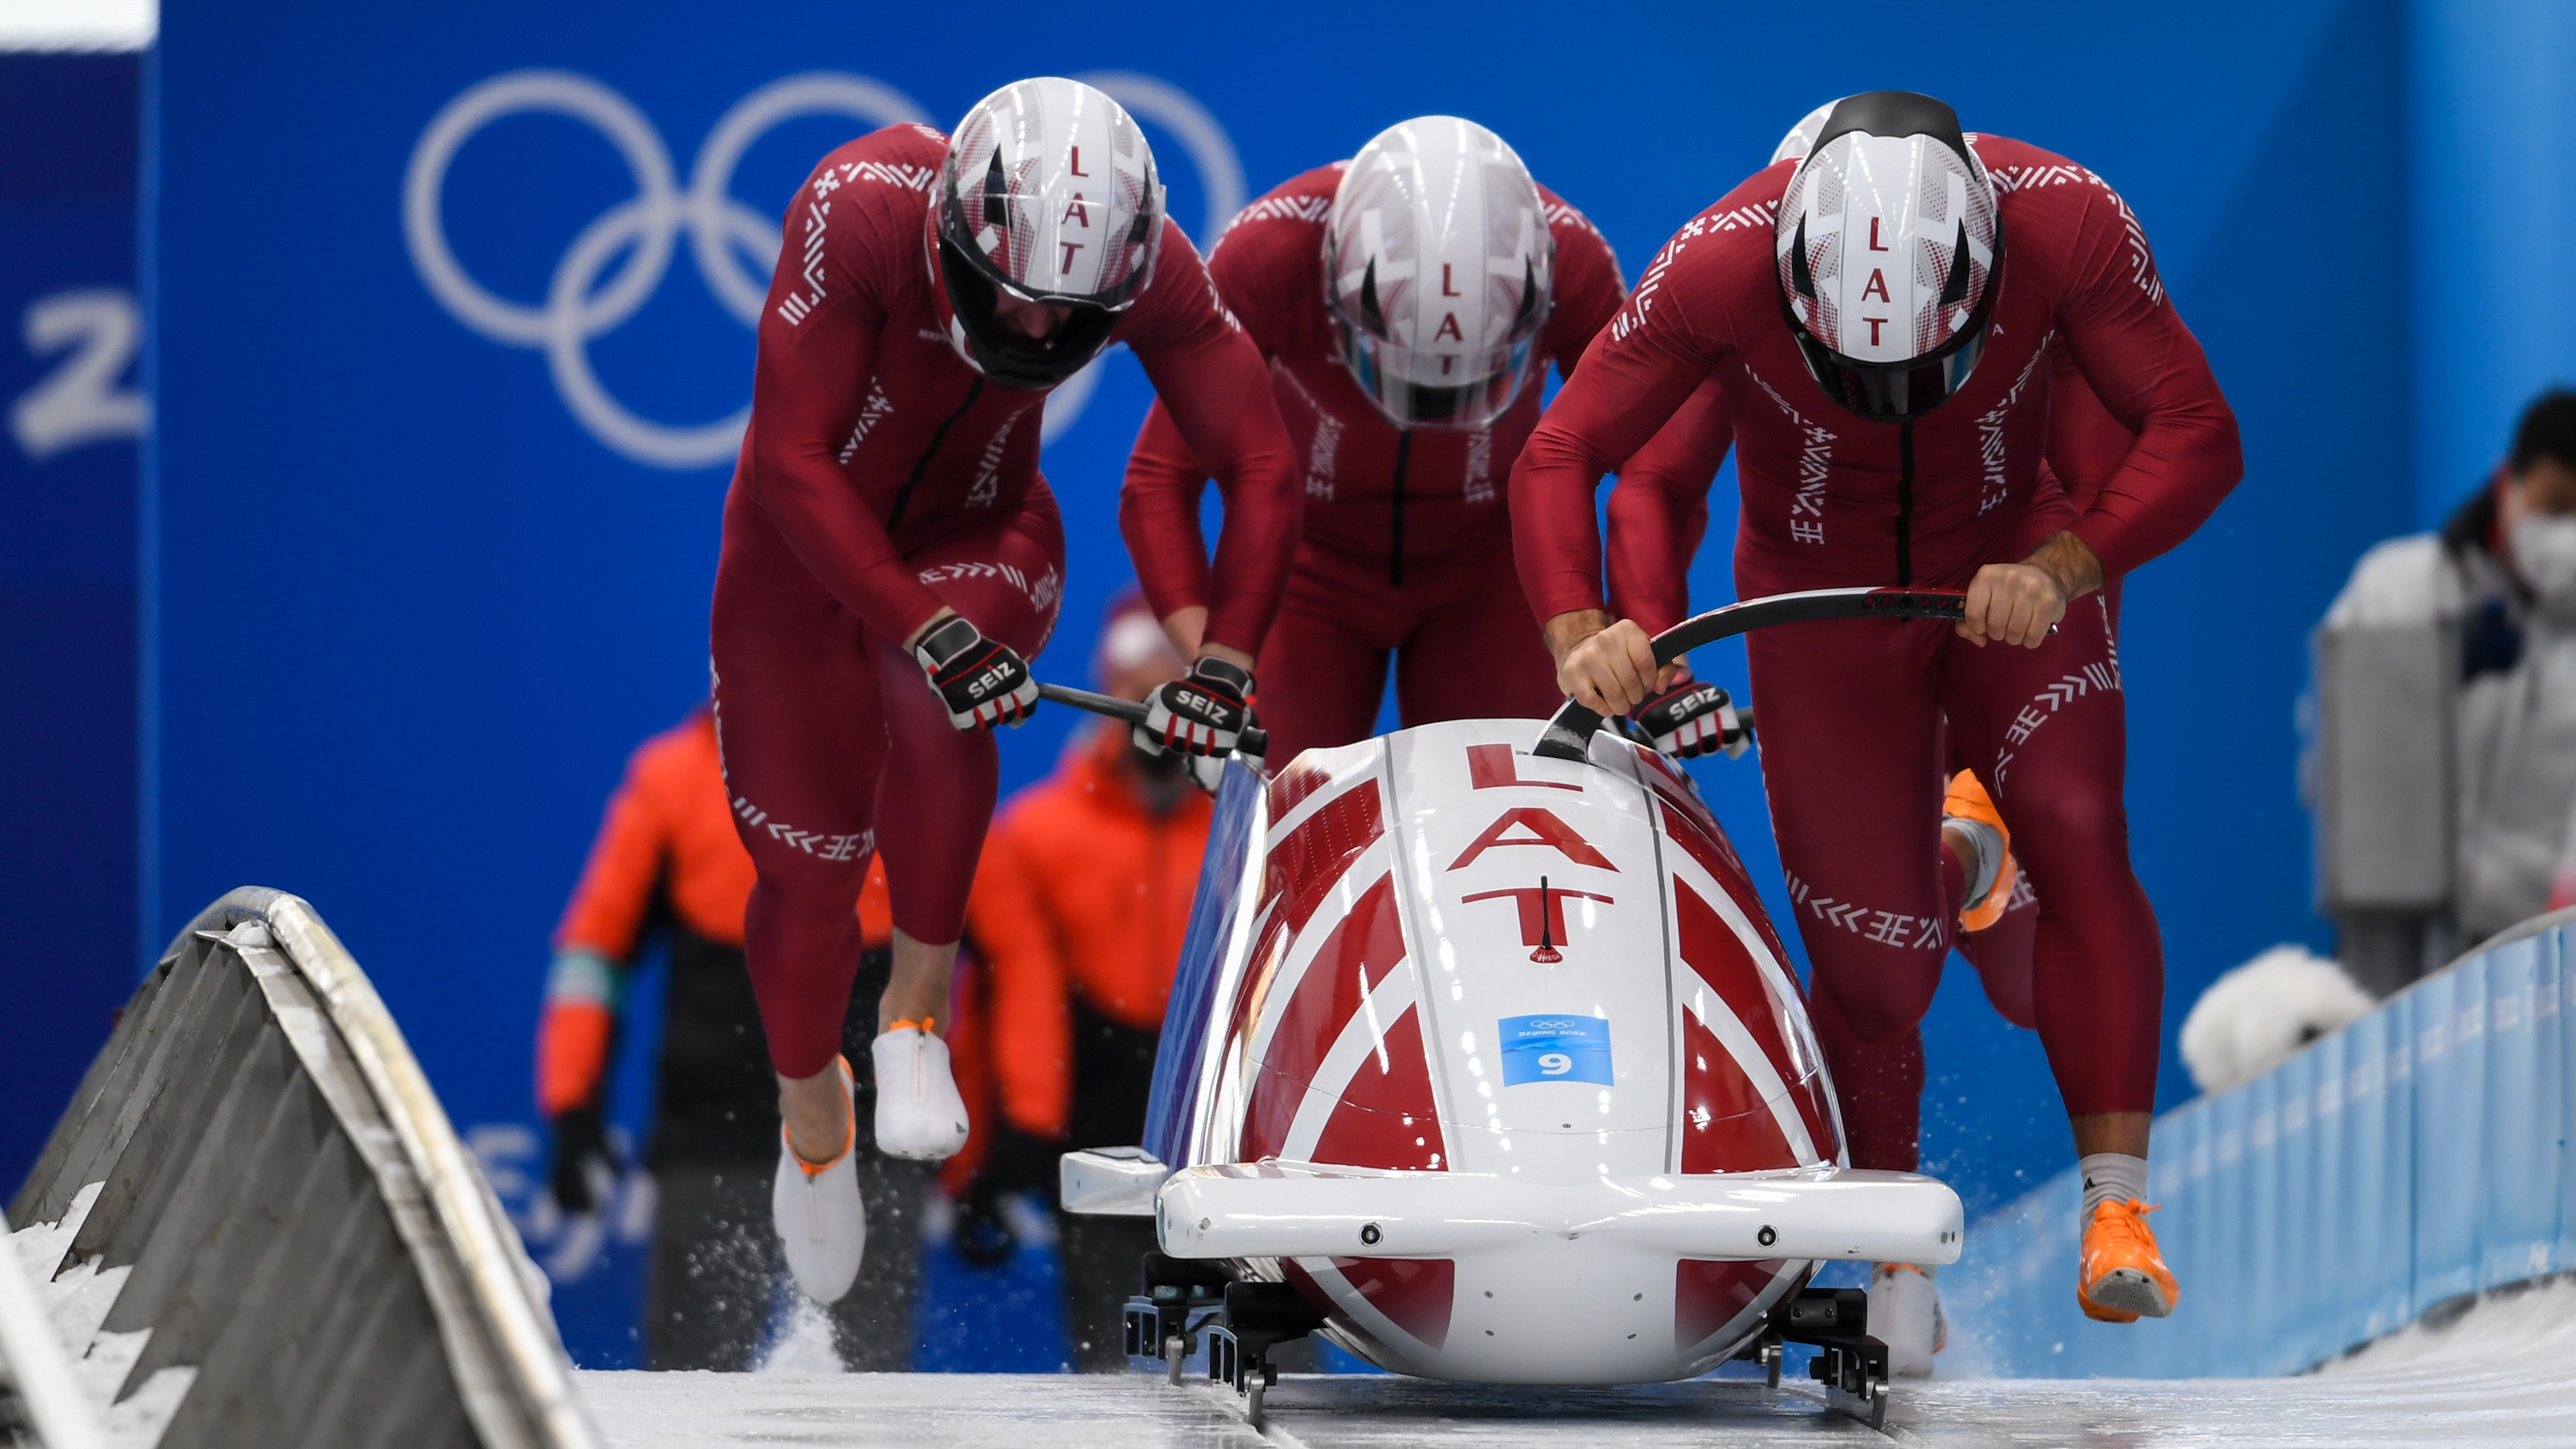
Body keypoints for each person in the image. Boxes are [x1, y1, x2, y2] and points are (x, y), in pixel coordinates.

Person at [1514, 92, 2241, 1333]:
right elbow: (1570, 455)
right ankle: (1894, 1257)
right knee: (1876, 980)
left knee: (2072, 822)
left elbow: (2197, 432)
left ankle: (2119, 1210)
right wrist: (1586, 630)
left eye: (1926, 363)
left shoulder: (2063, 219)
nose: (1891, 392)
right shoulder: (1721, 261)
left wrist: (2070, 565)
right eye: (1851, 368)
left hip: (2012, 560)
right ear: (1796, 277)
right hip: (1817, 595)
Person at [713, 76, 1300, 1306]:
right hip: (798, 556)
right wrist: (916, 620)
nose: (1036, 336)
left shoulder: (1159, 266)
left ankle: (915, 1022)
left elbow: (1259, 453)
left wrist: (1228, 655)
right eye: (1014, 301)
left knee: (944, 691)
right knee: (809, 887)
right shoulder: (861, 205)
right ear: (951, 236)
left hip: (987, 527)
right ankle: (810, 1109)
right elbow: (789, 457)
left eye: (1071, 315)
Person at [1121, 116, 1723, 763]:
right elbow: (1161, 478)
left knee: (1514, 803)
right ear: (1336, 284)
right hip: (1311, 575)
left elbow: (1657, 467)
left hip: (1491, 574)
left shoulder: (1571, 260)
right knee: (1286, 799)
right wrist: (1213, 668)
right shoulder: (1269, 252)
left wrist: (1651, 646)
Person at [536, 706, 927, 1368]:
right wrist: (574, 1107)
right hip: (712, 1138)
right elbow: (596, 954)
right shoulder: (672, 777)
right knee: (696, 1379)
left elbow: (992, 962)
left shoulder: (912, 775)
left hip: (871, 1147)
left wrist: (1002, 1137)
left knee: (871, 1393)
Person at [957, 591, 1211, 1370]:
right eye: (1140, 697)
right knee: (1118, 1373)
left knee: (1271, 1373)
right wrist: (1000, 1152)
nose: (1159, 721)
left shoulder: (1253, 824)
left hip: (1230, 1142)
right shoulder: (1036, 832)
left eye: (1176, 696)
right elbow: (1006, 1004)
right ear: (1110, 696)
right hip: (1100, 1140)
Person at [2316, 390, 2576, 991]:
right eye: (2554, 505)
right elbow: (2341, 759)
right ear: (2507, 481)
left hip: (2531, 960)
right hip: (2390, 939)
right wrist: (2436, 665)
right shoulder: (2401, 586)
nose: (2565, 534)